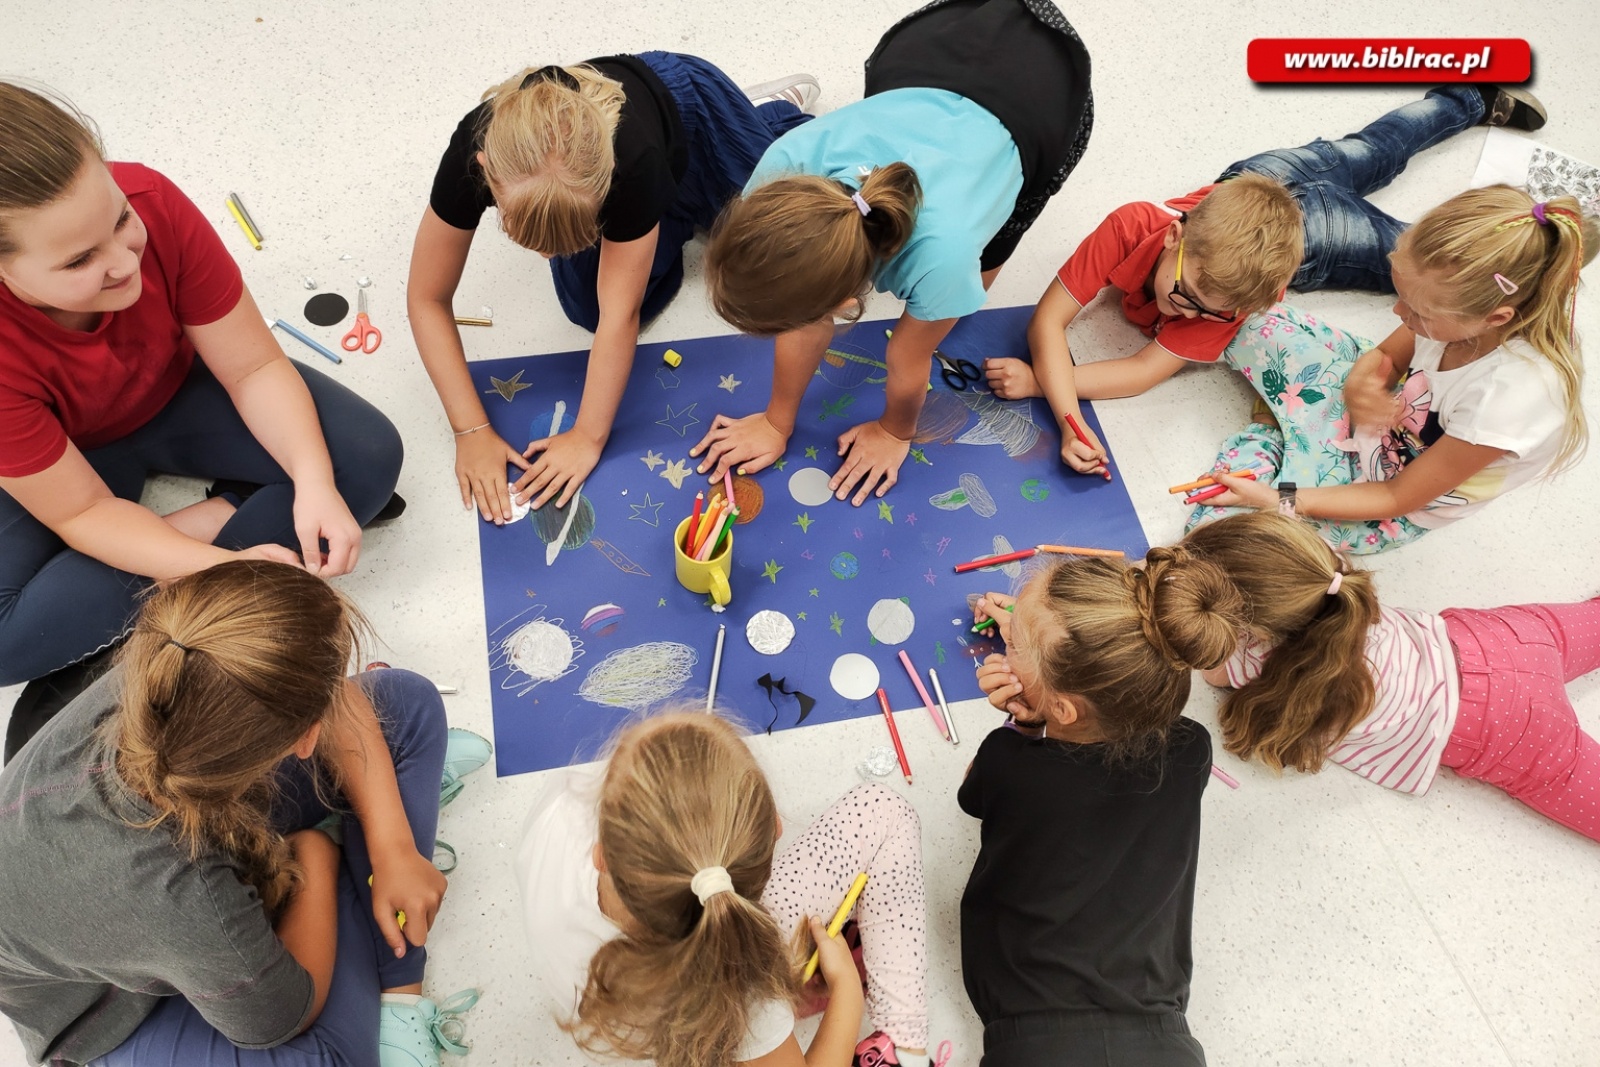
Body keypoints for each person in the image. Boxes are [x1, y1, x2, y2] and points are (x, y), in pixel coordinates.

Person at [0, 83, 403, 739]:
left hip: (176, 392)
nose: (123, 260)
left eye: (120, 218)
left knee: (365, 458)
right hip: (59, 459)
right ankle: (219, 524)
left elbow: (253, 368)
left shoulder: (154, 199)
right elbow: (81, 509)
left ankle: (200, 535)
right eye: (79, 260)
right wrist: (220, 563)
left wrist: (314, 480)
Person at [0, 560, 490, 1067]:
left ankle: (398, 987)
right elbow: (282, 1018)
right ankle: (349, 862)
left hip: (169, 869)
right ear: (303, 740)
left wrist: (393, 848)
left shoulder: (170, 664)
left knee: (402, 702)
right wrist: (313, 856)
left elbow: (339, 701)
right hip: (106, 1010)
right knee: (327, 1059)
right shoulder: (187, 896)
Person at [984, 85, 1547, 477]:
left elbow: (1139, 372)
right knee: (1373, 153)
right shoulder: (1135, 224)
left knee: (1427, 260)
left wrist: (1046, 390)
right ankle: (1472, 105)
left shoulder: (1228, 303)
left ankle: (1490, 176)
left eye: (1209, 312)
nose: (1189, 316)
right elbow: (1049, 319)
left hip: (1313, 232)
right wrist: (1063, 403)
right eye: (1186, 297)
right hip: (1258, 182)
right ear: (1176, 237)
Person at [691, 0, 1093, 505]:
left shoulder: (944, 253)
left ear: (842, 307)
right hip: (930, 50)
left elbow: (909, 361)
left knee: (985, 250)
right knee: (938, 291)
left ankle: (948, 305)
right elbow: (806, 318)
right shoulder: (783, 165)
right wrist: (776, 420)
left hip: (1041, 94)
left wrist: (895, 432)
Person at [410, 54, 815, 523]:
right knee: (585, 307)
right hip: (638, 175)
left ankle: (768, 114)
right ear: (483, 169)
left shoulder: (632, 161)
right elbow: (426, 297)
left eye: (560, 244)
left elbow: (619, 314)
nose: (546, 258)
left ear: (608, 183)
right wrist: (470, 430)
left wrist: (587, 437)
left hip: (693, 118)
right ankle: (675, 209)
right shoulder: (474, 147)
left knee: (781, 245)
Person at [517, 711, 930, 1067]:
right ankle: (906, 1048)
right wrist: (846, 997)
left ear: (602, 855)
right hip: (707, 1002)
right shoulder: (738, 987)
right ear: (775, 830)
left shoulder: (562, 810)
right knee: (882, 810)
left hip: (624, 1004)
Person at [1195, 184, 1594, 553]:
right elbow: (1386, 356)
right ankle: (1288, 433)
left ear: (1494, 318)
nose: (1398, 313)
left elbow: (1396, 497)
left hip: (1385, 492)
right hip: (1377, 422)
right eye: (1401, 296)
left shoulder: (1506, 402)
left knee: (1231, 538)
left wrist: (1279, 499)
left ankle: (1281, 434)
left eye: (1418, 311)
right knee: (1251, 320)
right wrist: (1361, 385)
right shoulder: (1452, 313)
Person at [963, 547, 1243, 1066]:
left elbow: (975, 798)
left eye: (1015, 644)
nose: (1004, 643)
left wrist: (1023, 726)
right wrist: (1037, 645)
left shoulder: (1010, 763)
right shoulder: (1192, 748)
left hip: (1034, 1038)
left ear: (1064, 709)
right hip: (1163, 1036)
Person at [1185, 511, 1600, 842]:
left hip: (1503, 729)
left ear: (1247, 631)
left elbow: (1211, 673)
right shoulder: (1330, 575)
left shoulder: (1250, 660)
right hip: (1503, 638)